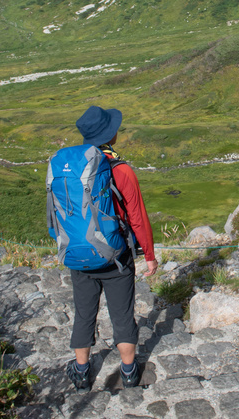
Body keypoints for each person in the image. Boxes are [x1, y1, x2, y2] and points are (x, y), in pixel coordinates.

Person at [65, 105, 157, 391]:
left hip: (79, 254)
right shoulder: (121, 170)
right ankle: (128, 371)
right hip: (116, 257)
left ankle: (81, 372)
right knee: (121, 314)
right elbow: (138, 218)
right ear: (110, 135)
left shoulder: (70, 166)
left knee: (83, 313)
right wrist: (149, 256)